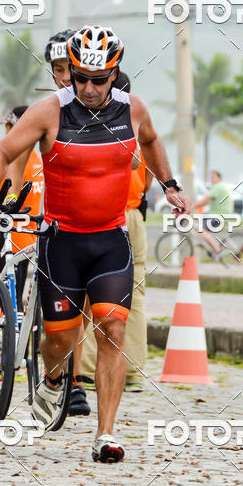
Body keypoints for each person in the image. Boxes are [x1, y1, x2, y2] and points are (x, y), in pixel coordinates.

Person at [0, 25, 187, 462]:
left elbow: (151, 142)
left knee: (113, 328)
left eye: (98, 79)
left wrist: (170, 184)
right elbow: (0, 153)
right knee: (60, 342)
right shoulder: (48, 111)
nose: (87, 88)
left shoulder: (134, 110)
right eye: (79, 77)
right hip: (61, 243)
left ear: (115, 74)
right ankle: (53, 380)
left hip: (110, 241)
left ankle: (105, 434)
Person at [79, 71, 152, 393]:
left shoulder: (94, 128)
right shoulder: (139, 127)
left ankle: (84, 370)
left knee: (86, 293)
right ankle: (131, 369)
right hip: (134, 214)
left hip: (103, 215)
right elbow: (147, 177)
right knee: (133, 294)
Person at [44, 30, 91, 417]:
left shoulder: (102, 104)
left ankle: (76, 381)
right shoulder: (45, 109)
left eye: (68, 69)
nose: (64, 77)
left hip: (87, 221)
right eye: (57, 70)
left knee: (86, 306)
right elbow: (12, 153)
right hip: (42, 216)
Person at [0, 106, 44, 303]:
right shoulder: (36, 159)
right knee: (15, 297)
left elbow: (2, 199)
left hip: (7, 240)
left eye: (8, 127)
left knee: (5, 302)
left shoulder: (14, 164)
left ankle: (10, 333)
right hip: (27, 239)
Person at [190, 170, 233, 257]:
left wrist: (191, 207)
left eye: (214, 177)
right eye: (211, 177)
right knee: (196, 221)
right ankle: (206, 243)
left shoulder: (218, 186)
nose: (211, 179)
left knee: (200, 229)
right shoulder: (218, 187)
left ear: (219, 178)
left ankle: (217, 249)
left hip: (219, 215)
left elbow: (206, 200)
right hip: (216, 214)